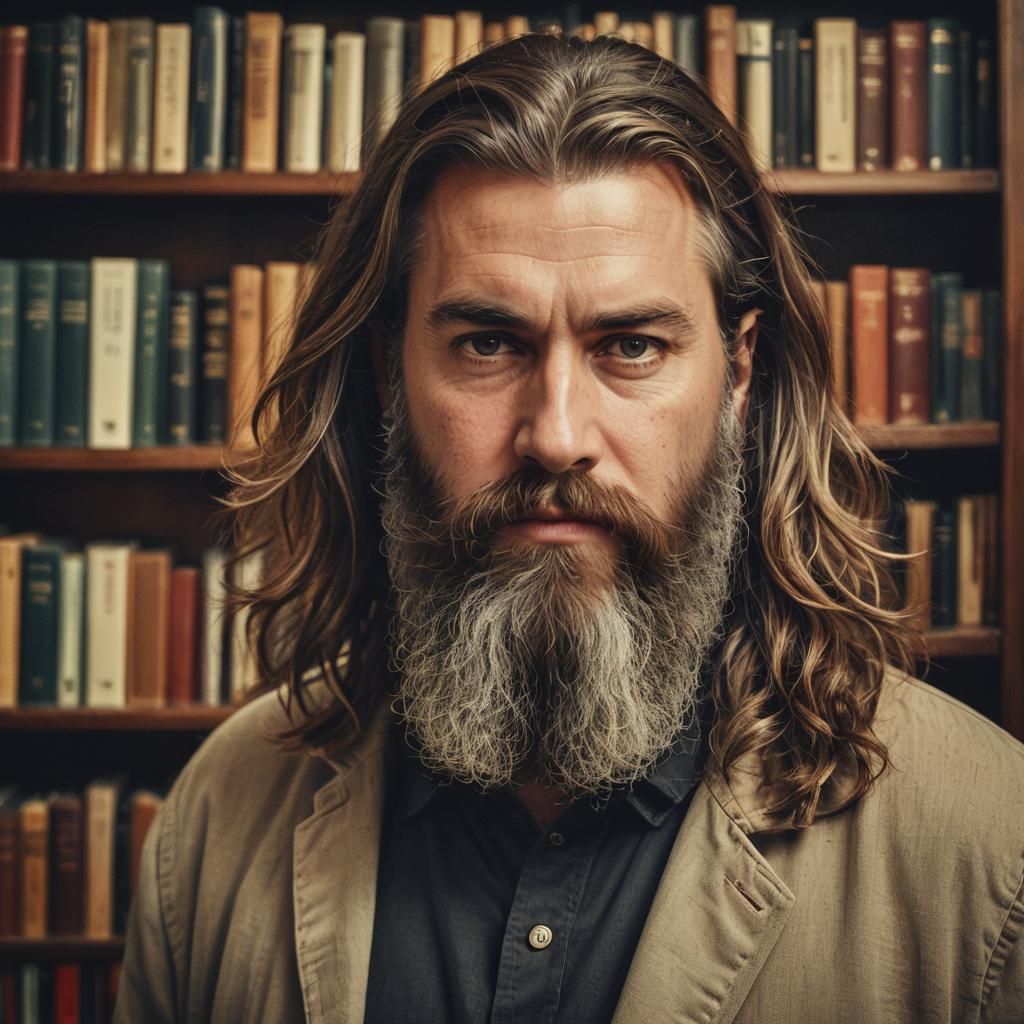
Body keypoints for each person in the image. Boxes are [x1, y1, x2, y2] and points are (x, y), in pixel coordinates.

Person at [114, 32, 1024, 1024]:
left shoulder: (988, 853)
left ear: (739, 370)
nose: (554, 436)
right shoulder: (218, 818)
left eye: (629, 344)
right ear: (386, 371)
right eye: (487, 342)